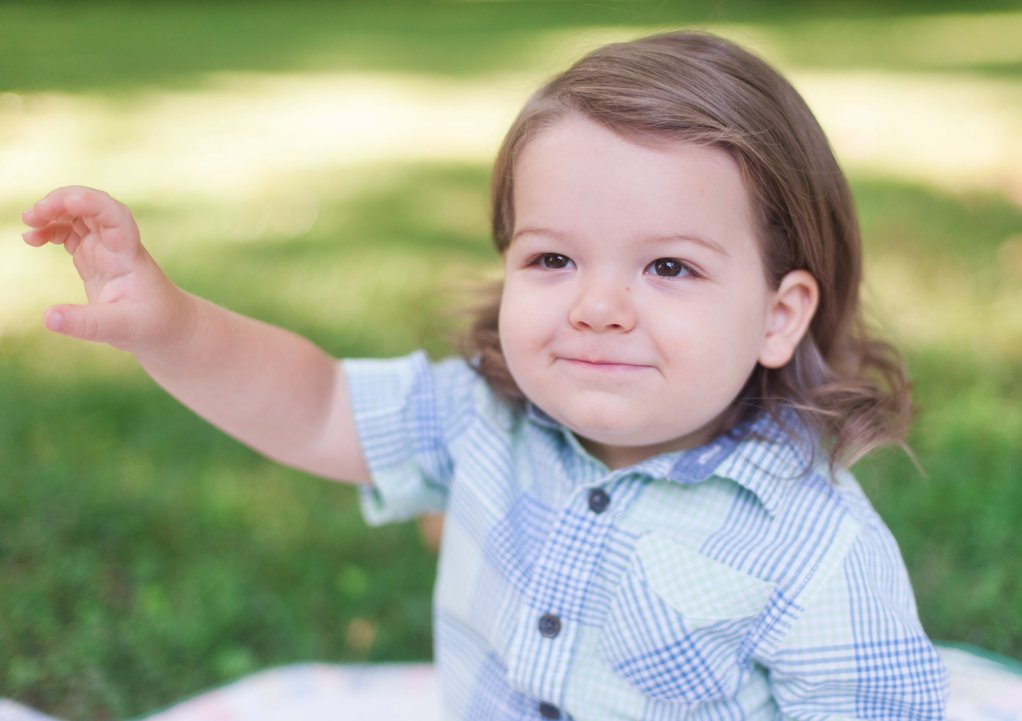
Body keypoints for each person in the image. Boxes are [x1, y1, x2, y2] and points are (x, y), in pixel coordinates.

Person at [21, 31, 947, 721]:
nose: (596, 306)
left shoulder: (817, 554)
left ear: (779, 315)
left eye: (668, 268)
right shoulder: (478, 418)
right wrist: (169, 323)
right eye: (553, 260)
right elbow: (310, 406)